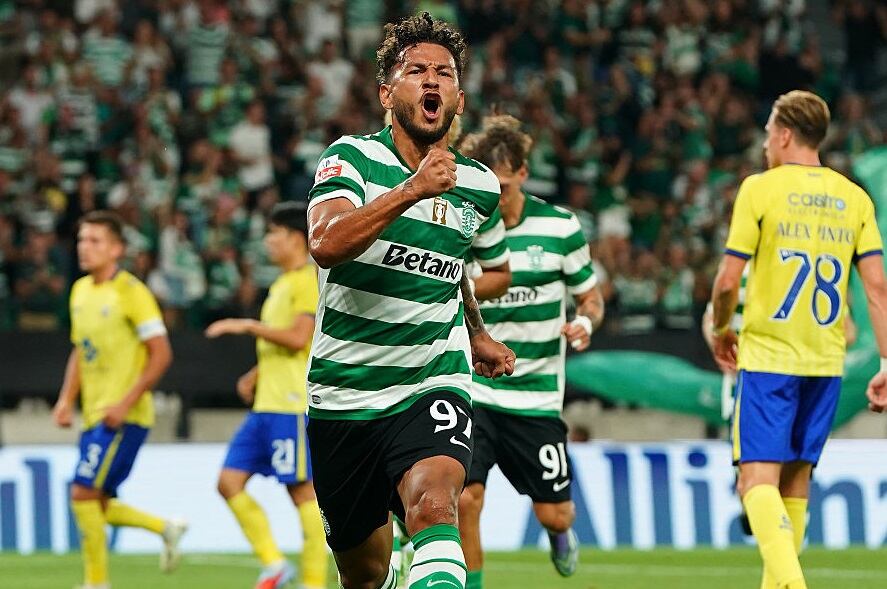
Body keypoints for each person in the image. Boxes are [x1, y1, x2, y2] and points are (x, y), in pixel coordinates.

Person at [305, 13, 515, 589]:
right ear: (385, 93)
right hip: (344, 395)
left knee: (435, 505)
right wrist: (411, 189)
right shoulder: (350, 160)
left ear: (459, 99)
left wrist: (473, 331)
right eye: (415, 70)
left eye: (444, 73)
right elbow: (326, 244)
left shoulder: (478, 186)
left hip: (430, 380)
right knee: (366, 575)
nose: (431, 81)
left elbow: (457, 263)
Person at [710, 90, 887, 589]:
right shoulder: (855, 198)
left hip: (770, 356)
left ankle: (794, 585)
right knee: (795, 481)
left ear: (785, 134)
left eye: (768, 132)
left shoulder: (760, 190)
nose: (766, 142)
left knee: (755, 481)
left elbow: (727, 282)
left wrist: (723, 328)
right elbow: (877, 288)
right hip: (826, 361)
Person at [456, 115, 605, 588]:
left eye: (503, 184)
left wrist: (584, 321)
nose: (495, 196)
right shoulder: (467, 229)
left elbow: (591, 297)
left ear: (522, 173)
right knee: (464, 501)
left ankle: (560, 535)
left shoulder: (560, 227)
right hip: (476, 392)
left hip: (537, 397)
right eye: (488, 185)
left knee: (555, 514)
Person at [52, 211, 187, 589]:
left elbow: (161, 353)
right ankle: (166, 528)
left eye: (95, 240)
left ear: (116, 249)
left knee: (82, 492)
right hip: (95, 414)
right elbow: (81, 350)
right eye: (81, 239)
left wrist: (125, 403)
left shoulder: (132, 293)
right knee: (97, 503)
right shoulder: (80, 291)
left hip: (124, 416)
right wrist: (66, 400)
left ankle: (96, 583)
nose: (85, 247)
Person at [205, 202, 328, 589]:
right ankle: (274, 564)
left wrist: (246, 325)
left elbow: (297, 338)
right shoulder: (280, 284)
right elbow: (288, 344)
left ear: (293, 237)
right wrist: (256, 373)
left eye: (272, 233)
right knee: (228, 482)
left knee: (302, 491)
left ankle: (312, 581)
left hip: (290, 405)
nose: (267, 242)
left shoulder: (307, 279)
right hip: (266, 405)